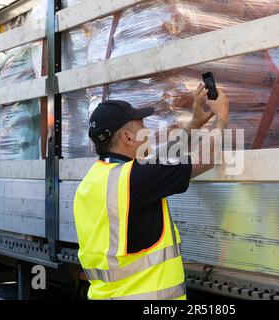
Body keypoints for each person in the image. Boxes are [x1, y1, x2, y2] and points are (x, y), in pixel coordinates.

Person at [73, 84, 230, 300]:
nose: (148, 132)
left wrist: (195, 123)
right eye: (142, 126)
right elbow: (207, 159)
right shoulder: (135, 179)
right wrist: (221, 116)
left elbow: (158, 162)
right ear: (128, 137)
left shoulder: (95, 179)